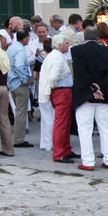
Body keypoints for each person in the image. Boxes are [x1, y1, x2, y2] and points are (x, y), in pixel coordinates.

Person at [71, 26, 108, 171]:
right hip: (104, 94)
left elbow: (80, 73)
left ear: (84, 37)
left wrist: (93, 89)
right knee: (106, 128)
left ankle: (88, 161)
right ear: (98, 38)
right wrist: (100, 88)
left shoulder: (77, 51)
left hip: (84, 94)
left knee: (85, 129)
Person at [38, 33, 76, 163]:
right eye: (66, 43)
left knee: (65, 123)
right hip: (61, 92)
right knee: (61, 123)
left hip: (60, 91)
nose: (68, 45)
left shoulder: (54, 56)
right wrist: (52, 88)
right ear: (59, 45)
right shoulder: (57, 57)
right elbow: (54, 76)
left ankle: (65, 150)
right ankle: (60, 153)